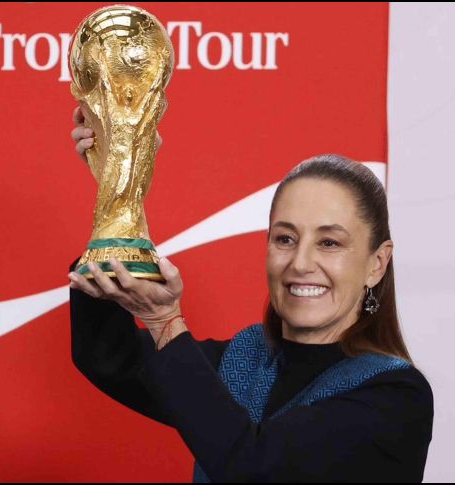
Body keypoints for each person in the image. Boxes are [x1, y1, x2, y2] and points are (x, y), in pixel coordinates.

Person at [67, 107, 433, 482]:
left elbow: (253, 467)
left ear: (377, 263)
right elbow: (109, 356)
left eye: (329, 242)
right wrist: (121, 186)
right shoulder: (243, 361)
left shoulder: (395, 398)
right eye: (285, 239)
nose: (300, 263)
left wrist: (166, 322)